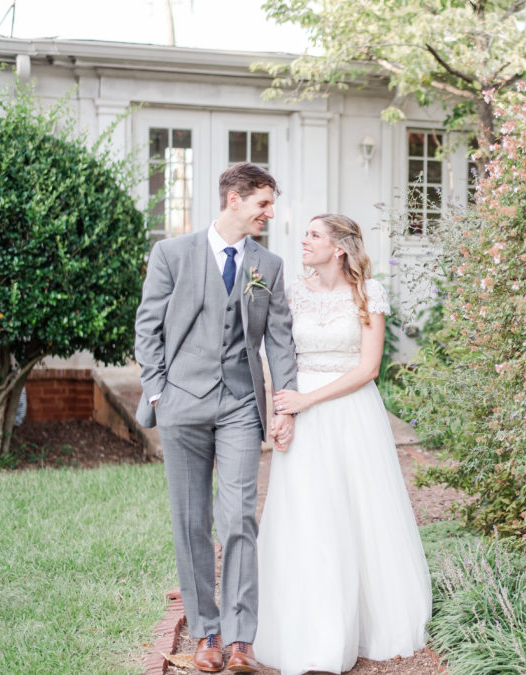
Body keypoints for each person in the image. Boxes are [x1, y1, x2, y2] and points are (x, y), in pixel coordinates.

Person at [135, 163, 298, 673]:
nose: (269, 215)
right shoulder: (171, 254)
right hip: (181, 403)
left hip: (240, 407)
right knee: (191, 522)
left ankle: (242, 641)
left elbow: (279, 337)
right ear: (234, 199)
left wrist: (285, 400)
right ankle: (206, 635)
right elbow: (148, 327)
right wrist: (158, 393)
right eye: (263, 205)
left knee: (238, 518)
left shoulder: (266, 265)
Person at [255, 214, 432, 674]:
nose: (304, 242)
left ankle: (359, 624)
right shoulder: (293, 290)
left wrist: (307, 401)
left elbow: (368, 368)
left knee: (356, 513)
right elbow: (279, 353)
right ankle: (309, 628)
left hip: (350, 412)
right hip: (301, 413)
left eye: (314, 235)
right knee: (306, 515)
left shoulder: (367, 293)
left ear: (338, 248)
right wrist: (283, 410)